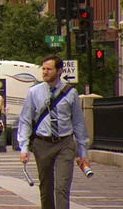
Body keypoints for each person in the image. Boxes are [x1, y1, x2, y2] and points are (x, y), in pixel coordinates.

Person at [17, 54, 89, 209]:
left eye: (49, 69)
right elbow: (25, 121)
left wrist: (83, 153)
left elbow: (78, 124)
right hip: (42, 143)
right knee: (46, 186)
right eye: (43, 69)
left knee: (62, 186)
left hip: (65, 143)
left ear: (59, 71)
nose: (45, 72)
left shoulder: (71, 93)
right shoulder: (34, 92)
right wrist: (24, 148)